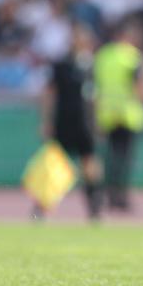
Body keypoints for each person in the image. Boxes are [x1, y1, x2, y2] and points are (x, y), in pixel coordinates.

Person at [39, 23, 102, 219]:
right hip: (64, 121)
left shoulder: (91, 65)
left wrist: (98, 122)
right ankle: (43, 207)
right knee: (55, 165)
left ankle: (94, 207)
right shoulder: (60, 65)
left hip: (84, 122)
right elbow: (50, 94)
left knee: (89, 163)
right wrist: (46, 120)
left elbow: (95, 97)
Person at [94, 19, 143, 212]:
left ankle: (105, 195)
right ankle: (121, 197)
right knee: (124, 159)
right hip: (127, 114)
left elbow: (96, 85)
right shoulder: (131, 57)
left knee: (108, 158)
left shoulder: (103, 56)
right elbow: (138, 85)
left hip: (106, 113)